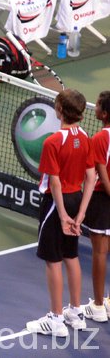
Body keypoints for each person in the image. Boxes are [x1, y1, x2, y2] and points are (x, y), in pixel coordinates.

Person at [26, 89, 96, 337]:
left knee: (53, 260)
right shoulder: (86, 137)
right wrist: (81, 214)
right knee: (71, 255)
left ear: (58, 110)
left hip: (56, 204)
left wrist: (64, 215)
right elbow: (91, 177)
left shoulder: (52, 142)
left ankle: (55, 319)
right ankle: (75, 313)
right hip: (77, 200)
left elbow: (54, 183)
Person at [82, 91, 110, 322]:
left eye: (98, 105)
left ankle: (99, 306)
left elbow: (101, 174)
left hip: (103, 202)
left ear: (104, 113)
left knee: (100, 253)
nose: (95, 108)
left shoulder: (100, 139)